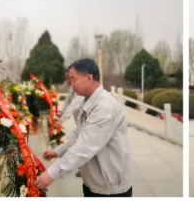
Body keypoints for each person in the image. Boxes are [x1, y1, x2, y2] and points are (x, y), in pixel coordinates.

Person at [37, 59, 132, 197]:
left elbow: (85, 146)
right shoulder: (88, 100)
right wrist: (58, 151)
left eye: (74, 79)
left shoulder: (104, 108)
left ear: (88, 78)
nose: (71, 84)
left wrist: (51, 173)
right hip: (93, 181)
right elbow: (78, 134)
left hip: (109, 187)